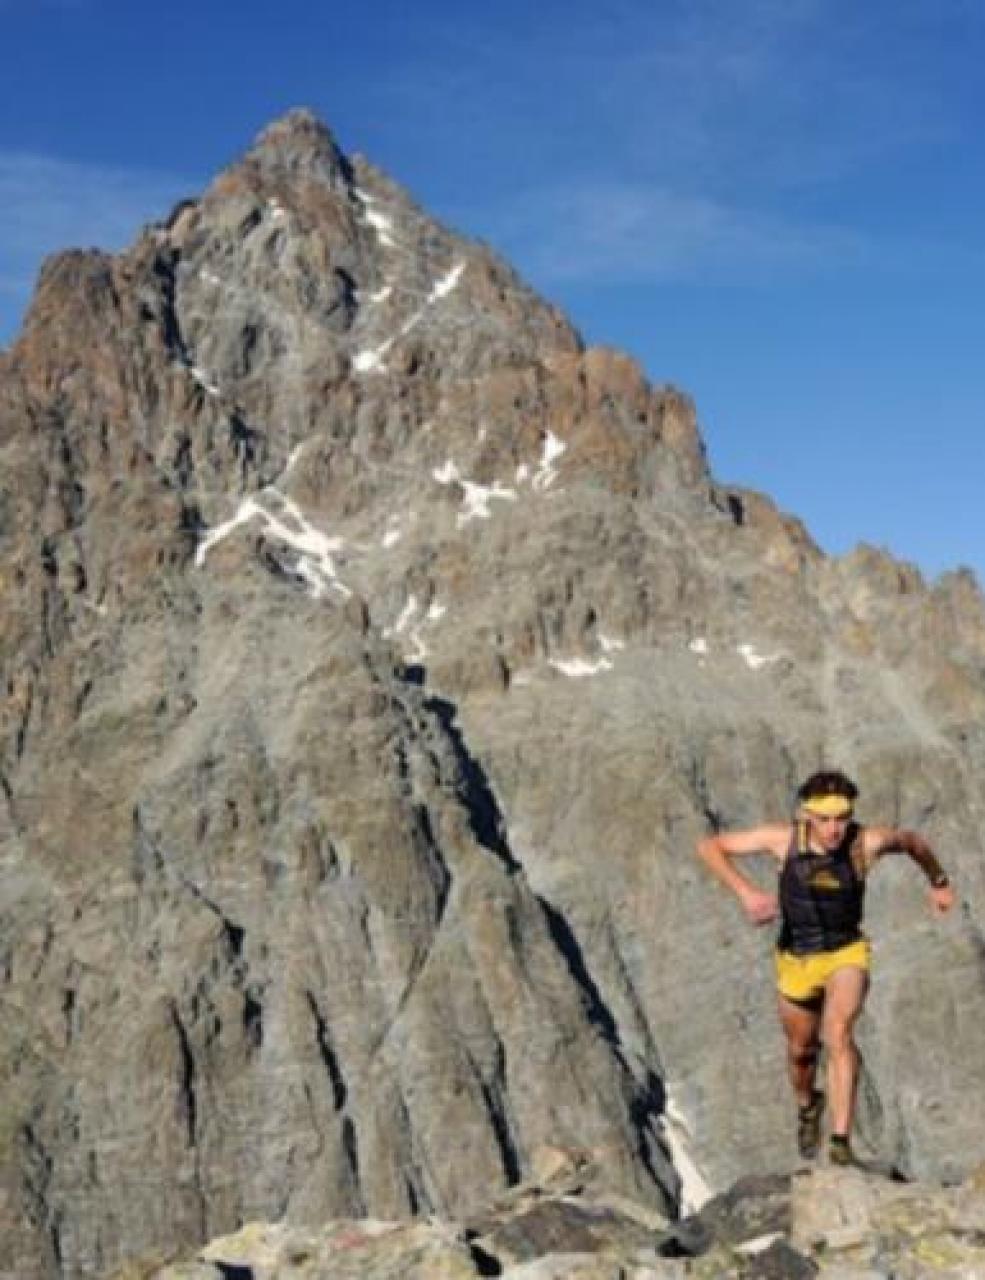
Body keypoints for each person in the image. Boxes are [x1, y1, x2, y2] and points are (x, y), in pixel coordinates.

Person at [696, 769, 955, 1166]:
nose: (835, 829)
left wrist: (938, 880)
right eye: (824, 820)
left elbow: (911, 842)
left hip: (845, 952)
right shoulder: (783, 840)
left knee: (837, 1033)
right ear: (806, 816)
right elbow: (710, 847)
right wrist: (746, 892)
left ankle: (840, 1141)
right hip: (796, 959)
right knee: (801, 1052)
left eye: (842, 818)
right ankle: (807, 1105)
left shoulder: (865, 843)